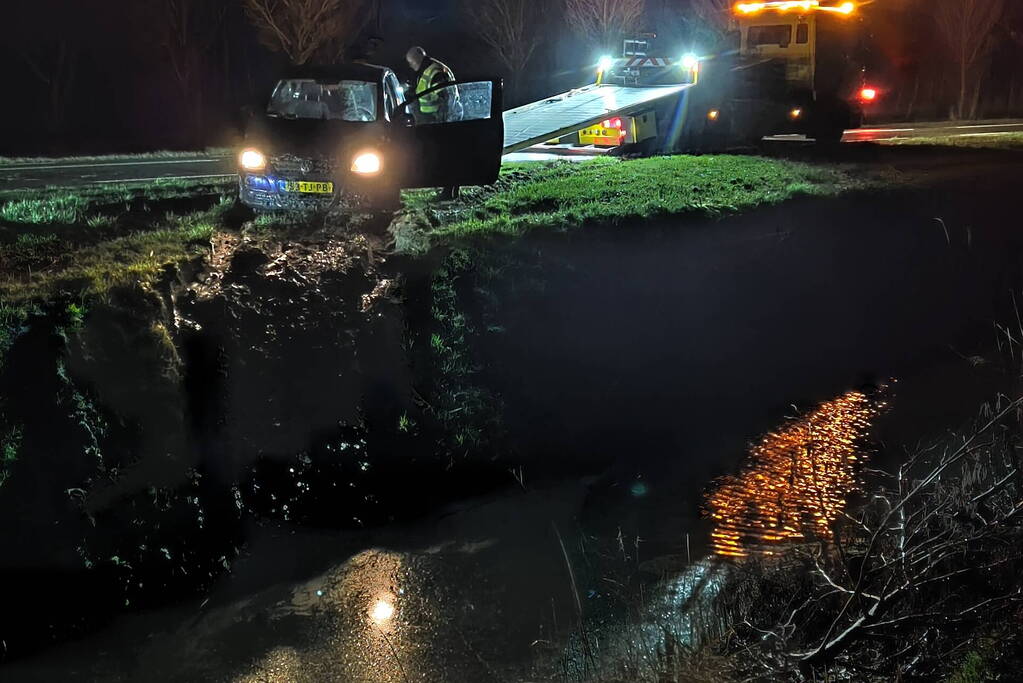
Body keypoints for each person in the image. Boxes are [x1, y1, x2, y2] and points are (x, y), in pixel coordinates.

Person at [406, 46, 460, 200]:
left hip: (441, 121)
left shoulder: (434, 72)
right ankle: (450, 191)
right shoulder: (427, 70)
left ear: (415, 60)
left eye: (410, 63)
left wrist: (441, 122)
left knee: (445, 157)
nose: (410, 66)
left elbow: (444, 98)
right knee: (444, 156)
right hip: (436, 120)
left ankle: (448, 192)